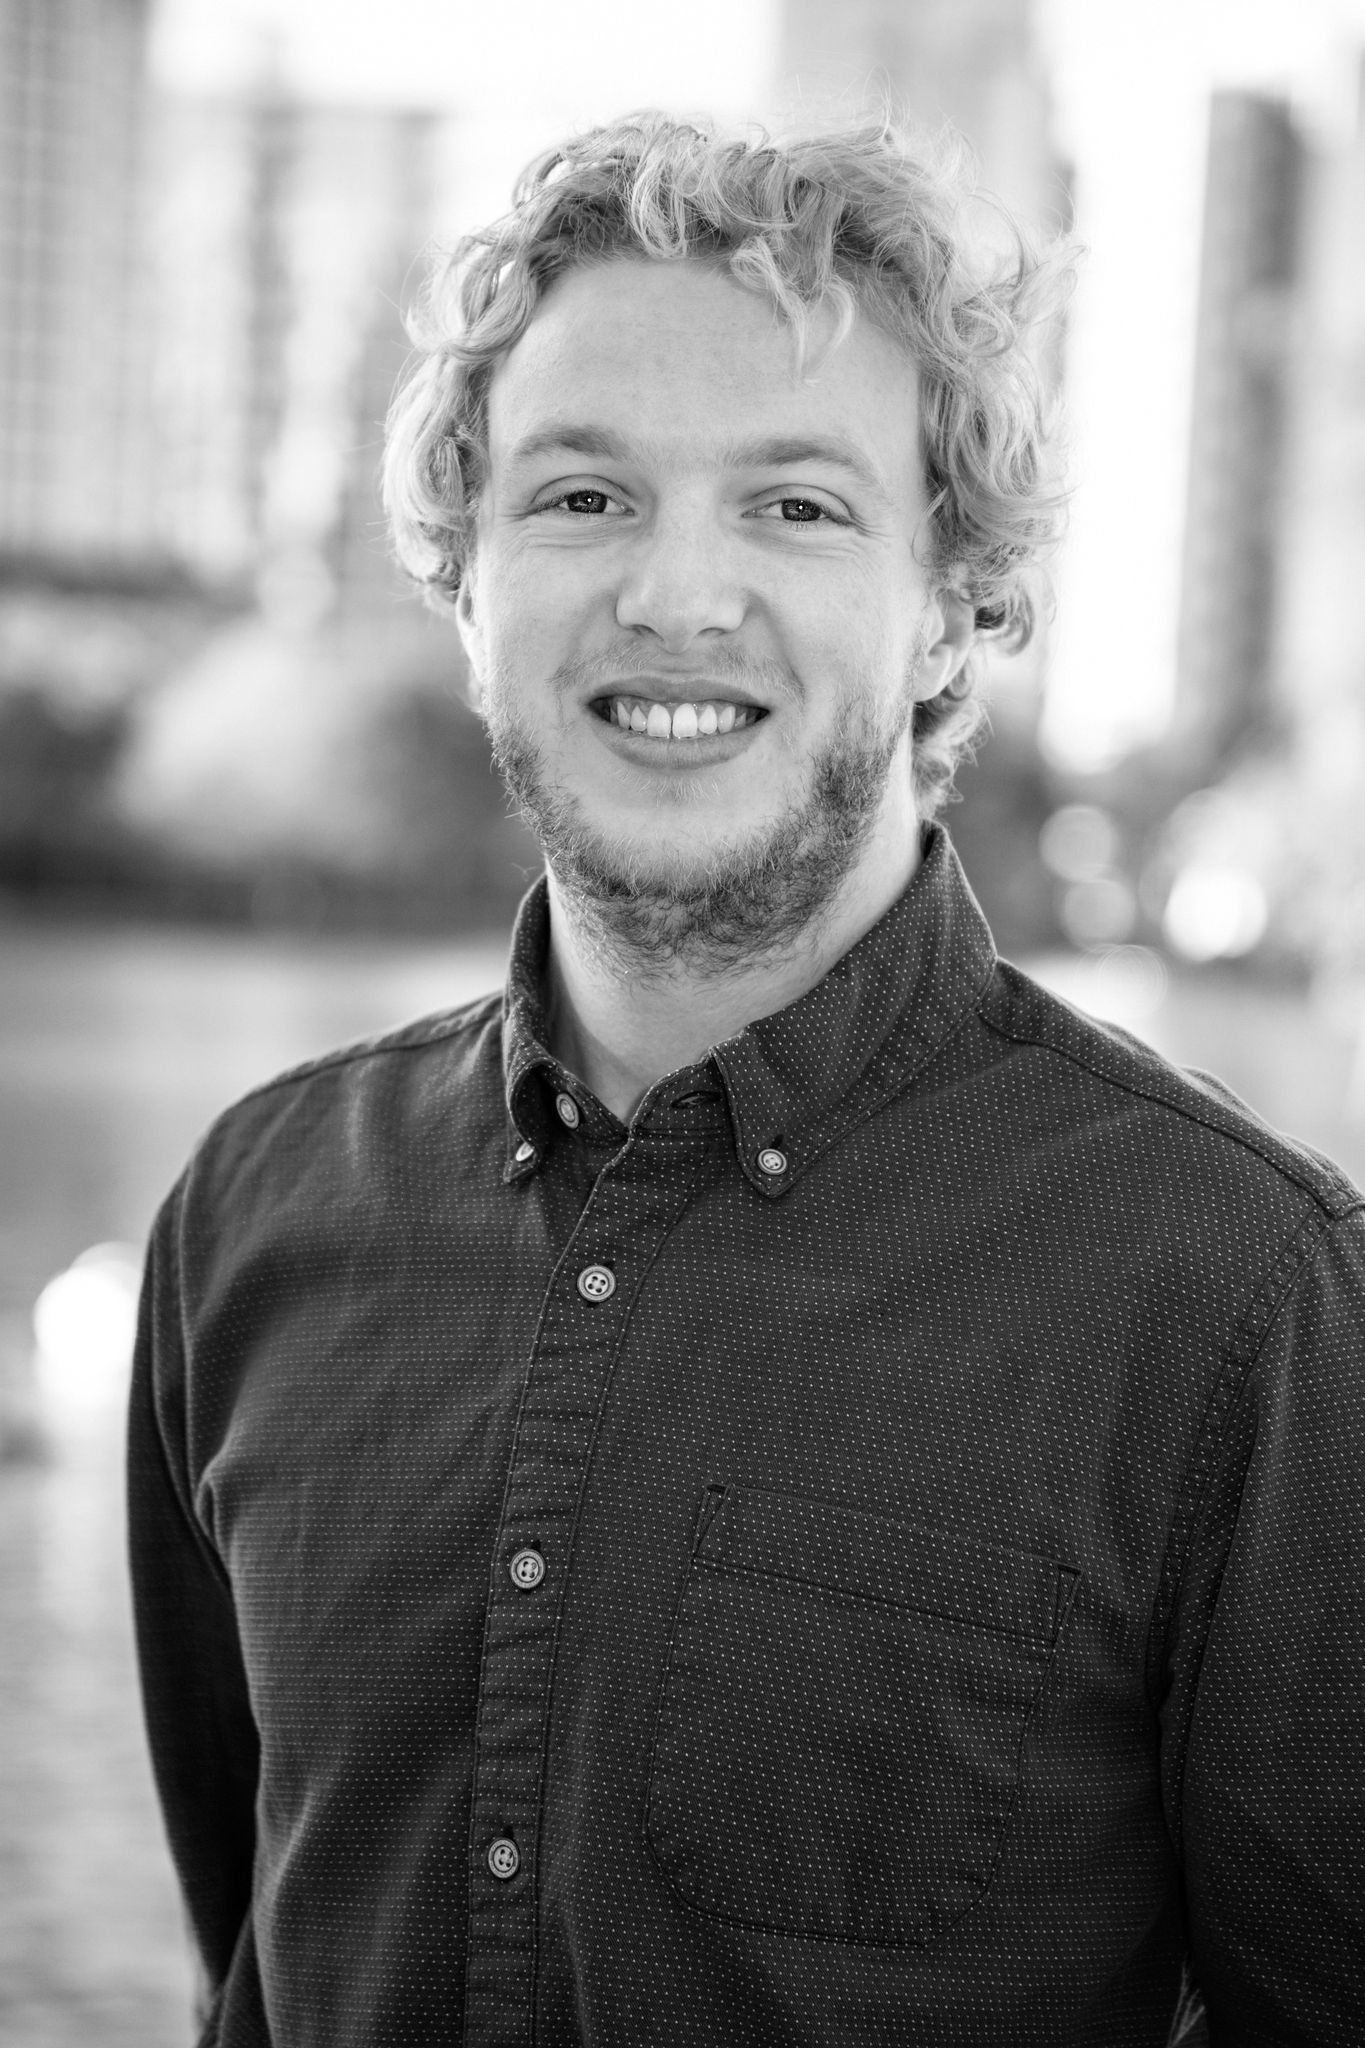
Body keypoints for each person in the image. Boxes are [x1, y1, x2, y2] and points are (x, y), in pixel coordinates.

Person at [128, 111, 1365, 2047]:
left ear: (952, 601)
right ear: (462, 584)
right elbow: (260, 1968)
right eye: (580, 498)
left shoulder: (1236, 1293)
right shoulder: (261, 1207)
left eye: (792, 504)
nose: (675, 599)